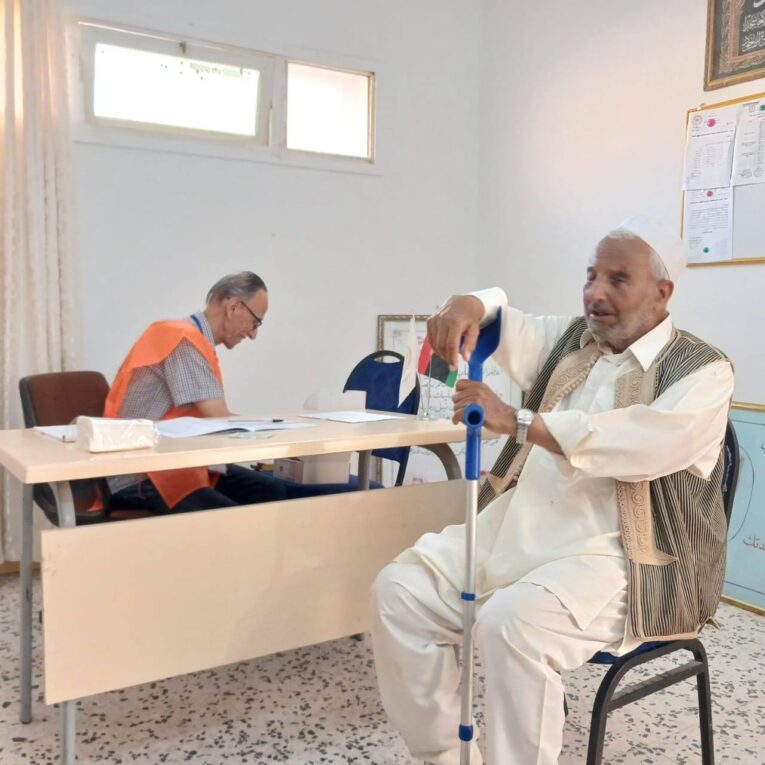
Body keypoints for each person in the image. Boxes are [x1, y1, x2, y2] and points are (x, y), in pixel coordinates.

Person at [370, 216, 734, 765]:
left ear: (663, 293)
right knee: (399, 591)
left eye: (618, 279)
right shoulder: (570, 341)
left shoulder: (703, 372)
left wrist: (519, 421)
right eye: (591, 275)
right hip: (520, 532)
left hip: (624, 559)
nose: (596, 292)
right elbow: (497, 321)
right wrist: (468, 302)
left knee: (512, 625)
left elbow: (642, 444)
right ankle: (442, 755)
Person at [104, 271, 287, 513]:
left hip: (175, 463)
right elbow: (219, 418)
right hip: (140, 474)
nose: (254, 334)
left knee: (271, 491)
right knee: (235, 520)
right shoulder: (183, 340)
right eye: (256, 322)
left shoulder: (194, 339)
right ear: (233, 307)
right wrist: (279, 429)